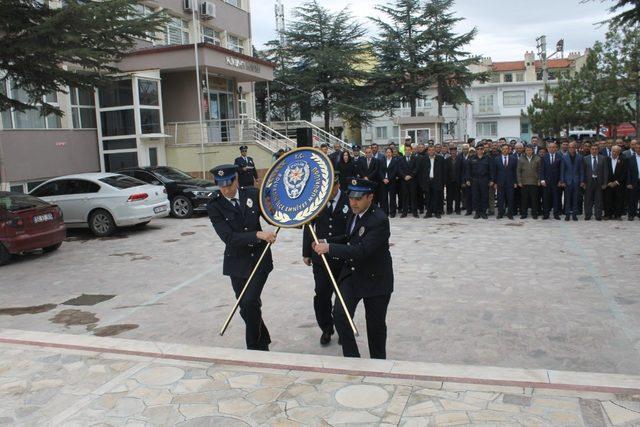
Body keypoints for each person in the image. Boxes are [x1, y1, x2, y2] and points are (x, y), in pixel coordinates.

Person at [312, 178, 393, 359]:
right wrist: (326, 241)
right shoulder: (354, 213)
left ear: (370, 197)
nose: (353, 203)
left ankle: (378, 362)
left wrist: (329, 248)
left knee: (375, 325)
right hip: (353, 275)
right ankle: (352, 358)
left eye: (358, 199)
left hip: (376, 279)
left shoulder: (379, 220)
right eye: (350, 198)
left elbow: (361, 250)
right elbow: (350, 238)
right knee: (340, 315)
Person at [207, 164, 277, 351]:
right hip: (236, 263)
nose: (226, 189)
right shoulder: (214, 205)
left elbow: (272, 217)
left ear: (236, 180)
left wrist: (277, 211)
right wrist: (258, 234)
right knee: (247, 307)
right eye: (221, 186)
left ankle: (255, 348)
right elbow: (228, 238)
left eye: (229, 184)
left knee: (249, 301)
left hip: (259, 259)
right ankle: (263, 339)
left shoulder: (252, 194)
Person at [302, 173, 350, 346]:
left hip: (342, 257)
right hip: (320, 259)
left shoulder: (349, 200)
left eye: (331, 188)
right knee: (321, 295)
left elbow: (351, 231)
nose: (327, 192)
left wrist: (329, 242)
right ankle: (326, 328)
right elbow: (308, 225)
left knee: (343, 297)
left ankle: (344, 328)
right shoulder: (317, 199)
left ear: (337, 185)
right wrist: (306, 252)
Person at [417, 145, 446, 218]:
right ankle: (428, 212)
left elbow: (444, 172)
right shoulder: (423, 159)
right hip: (427, 181)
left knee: (436, 197)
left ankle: (437, 212)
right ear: (427, 151)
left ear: (435, 150)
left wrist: (443, 182)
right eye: (429, 150)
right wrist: (422, 183)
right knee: (428, 198)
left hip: (436, 181)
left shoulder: (440, 158)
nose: (431, 151)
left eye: (433, 150)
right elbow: (420, 172)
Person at [582, 144, 608, 221]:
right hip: (588, 182)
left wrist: (605, 183)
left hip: (599, 182)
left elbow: (605, 172)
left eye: (596, 149)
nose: (594, 150)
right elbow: (583, 171)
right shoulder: (585, 158)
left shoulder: (603, 158)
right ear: (590, 150)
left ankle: (598, 215)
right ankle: (588, 215)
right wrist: (583, 182)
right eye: (592, 149)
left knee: (598, 199)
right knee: (588, 199)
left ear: (598, 150)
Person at [465, 144, 491, 219]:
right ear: (476, 150)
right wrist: (467, 180)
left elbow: (491, 170)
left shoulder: (487, 158)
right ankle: (477, 212)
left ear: (483, 150)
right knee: (476, 197)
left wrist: (491, 180)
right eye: (478, 149)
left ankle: (483, 212)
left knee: (484, 196)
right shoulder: (472, 158)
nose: (480, 150)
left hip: (484, 180)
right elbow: (468, 170)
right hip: (475, 180)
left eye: (481, 149)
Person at [492, 143, 518, 219]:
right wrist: (495, 182)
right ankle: (500, 213)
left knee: (510, 199)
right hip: (500, 182)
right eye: (503, 149)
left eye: (507, 149)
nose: (505, 150)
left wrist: (515, 182)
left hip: (510, 182)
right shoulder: (497, 159)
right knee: (500, 199)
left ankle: (510, 213)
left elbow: (515, 171)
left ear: (509, 150)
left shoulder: (513, 159)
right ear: (501, 150)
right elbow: (494, 172)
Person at [560, 142, 584, 221]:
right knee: (567, 198)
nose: (571, 149)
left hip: (576, 181)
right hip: (567, 181)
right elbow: (562, 170)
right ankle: (567, 214)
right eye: (570, 147)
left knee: (576, 198)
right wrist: (562, 181)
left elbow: (581, 170)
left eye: (573, 147)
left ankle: (574, 214)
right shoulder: (564, 157)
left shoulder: (580, 157)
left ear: (575, 148)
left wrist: (582, 181)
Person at [517, 145, 542, 219]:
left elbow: (540, 170)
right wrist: (519, 181)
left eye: (530, 150)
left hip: (534, 182)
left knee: (534, 199)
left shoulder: (538, 159)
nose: (528, 151)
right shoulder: (521, 159)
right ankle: (524, 214)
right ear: (525, 151)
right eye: (527, 150)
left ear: (532, 151)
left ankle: (534, 214)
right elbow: (518, 171)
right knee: (524, 200)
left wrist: (539, 180)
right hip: (524, 183)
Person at [541, 142, 563, 220]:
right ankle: (546, 214)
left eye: (554, 147)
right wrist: (542, 180)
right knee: (546, 198)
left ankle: (556, 214)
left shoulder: (560, 157)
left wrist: (561, 180)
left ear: (556, 148)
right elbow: (542, 169)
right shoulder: (544, 157)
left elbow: (561, 170)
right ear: (547, 148)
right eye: (550, 147)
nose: (552, 149)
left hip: (556, 182)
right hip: (546, 182)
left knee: (556, 198)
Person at [604, 145, 627, 220]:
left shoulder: (623, 160)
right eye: (613, 151)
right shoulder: (606, 159)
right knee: (608, 200)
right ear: (611, 151)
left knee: (619, 200)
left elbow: (624, 173)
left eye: (616, 152)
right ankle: (608, 215)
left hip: (618, 184)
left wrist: (616, 182)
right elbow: (603, 172)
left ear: (619, 152)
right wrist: (608, 182)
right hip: (608, 184)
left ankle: (618, 215)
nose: (614, 153)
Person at [398, 144, 419, 218]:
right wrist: (404, 176)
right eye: (406, 150)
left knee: (414, 197)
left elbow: (416, 169)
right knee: (404, 197)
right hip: (404, 181)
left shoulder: (415, 158)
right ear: (404, 151)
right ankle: (404, 212)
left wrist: (410, 176)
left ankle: (415, 212)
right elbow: (399, 169)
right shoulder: (400, 159)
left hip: (413, 180)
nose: (407, 151)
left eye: (409, 150)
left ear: (411, 150)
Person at [378, 147, 399, 217]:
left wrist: (388, 179)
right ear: (385, 153)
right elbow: (380, 171)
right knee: (384, 198)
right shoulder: (382, 160)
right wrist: (383, 179)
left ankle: (392, 212)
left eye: (389, 152)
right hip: (383, 181)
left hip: (392, 181)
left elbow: (395, 171)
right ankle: (385, 212)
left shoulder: (395, 161)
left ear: (392, 153)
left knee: (392, 197)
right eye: (387, 152)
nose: (388, 154)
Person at [445, 145, 463, 215]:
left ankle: (457, 209)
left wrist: (462, 181)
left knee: (458, 196)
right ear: (450, 152)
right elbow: (445, 171)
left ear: (456, 152)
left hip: (457, 181)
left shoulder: (460, 160)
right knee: (449, 196)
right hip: (449, 181)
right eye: (452, 152)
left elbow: (462, 171)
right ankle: (449, 209)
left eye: (454, 152)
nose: (453, 153)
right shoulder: (447, 160)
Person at [627, 143, 640, 220]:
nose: (639, 149)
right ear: (634, 149)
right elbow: (628, 172)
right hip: (634, 182)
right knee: (632, 199)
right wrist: (628, 183)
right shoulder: (630, 158)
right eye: (637, 148)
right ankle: (631, 214)